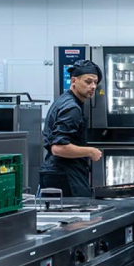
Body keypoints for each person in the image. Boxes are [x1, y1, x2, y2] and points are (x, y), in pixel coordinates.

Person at [39, 60, 103, 198]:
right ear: (74, 80)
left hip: (56, 172)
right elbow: (58, 148)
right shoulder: (72, 108)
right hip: (65, 175)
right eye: (88, 81)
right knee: (77, 212)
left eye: (95, 82)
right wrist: (90, 151)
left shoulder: (63, 100)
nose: (93, 86)